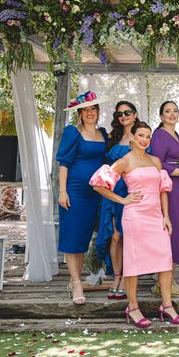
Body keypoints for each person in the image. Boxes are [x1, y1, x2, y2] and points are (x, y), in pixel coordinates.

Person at [90, 121, 179, 327]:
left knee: (165, 259)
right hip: (135, 217)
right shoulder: (124, 161)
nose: (144, 140)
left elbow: (162, 190)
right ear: (132, 137)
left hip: (156, 216)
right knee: (133, 262)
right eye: (140, 135)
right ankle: (132, 307)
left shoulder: (155, 161)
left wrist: (166, 216)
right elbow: (98, 184)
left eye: (148, 136)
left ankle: (167, 305)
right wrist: (122, 200)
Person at [56, 91, 111, 305]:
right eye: (85, 110)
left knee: (84, 239)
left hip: (96, 193)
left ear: (98, 112)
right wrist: (62, 191)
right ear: (80, 112)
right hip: (75, 191)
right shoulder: (72, 132)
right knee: (73, 238)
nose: (89, 113)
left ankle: (74, 279)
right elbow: (63, 163)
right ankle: (77, 283)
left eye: (93, 109)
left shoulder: (103, 134)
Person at [150, 101, 179, 295]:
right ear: (161, 116)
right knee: (171, 231)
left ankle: (165, 280)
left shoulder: (177, 135)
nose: (172, 114)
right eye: (167, 111)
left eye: (175, 111)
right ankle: (165, 282)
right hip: (168, 187)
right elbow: (156, 162)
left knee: (178, 231)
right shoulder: (159, 135)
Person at [96, 101, 138, 300]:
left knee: (129, 235)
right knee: (115, 236)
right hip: (113, 192)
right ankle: (117, 277)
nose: (123, 116)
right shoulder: (112, 138)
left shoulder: (141, 136)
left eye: (127, 112)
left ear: (135, 114)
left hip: (131, 191)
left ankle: (128, 278)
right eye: (120, 113)